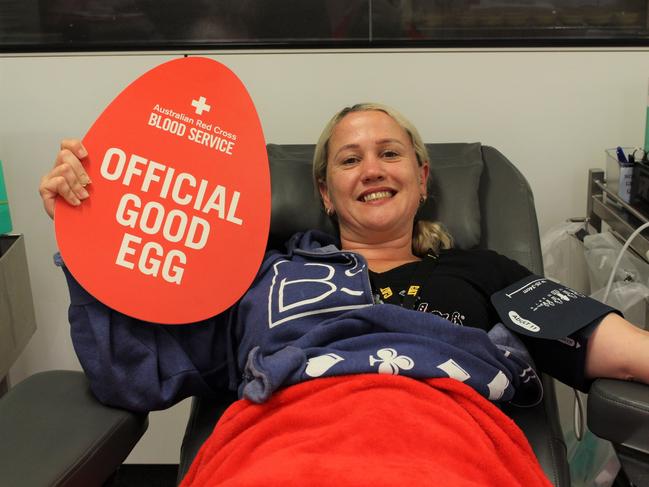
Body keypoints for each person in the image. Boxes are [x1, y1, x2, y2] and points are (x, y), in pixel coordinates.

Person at [40, 103, 649, 486]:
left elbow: (616, 346)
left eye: (390, 153)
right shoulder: (259, 274)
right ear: (327, 194)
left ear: (422, 176)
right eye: (349, 160)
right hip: (277, 442)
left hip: (446, 440)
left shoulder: (484, 271)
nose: (373, 169)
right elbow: (135, 374)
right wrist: (89, 225)